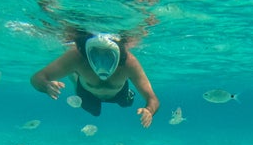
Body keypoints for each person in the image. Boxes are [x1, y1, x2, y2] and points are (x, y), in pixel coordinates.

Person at [31, 31, 160, 128]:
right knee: (94, 112)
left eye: (108, 56)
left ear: (118, 55)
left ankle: (75, 77)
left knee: (127, 103)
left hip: (119, 93)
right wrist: (45, 85)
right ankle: (74, 78)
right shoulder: (76, 57)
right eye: (96, 56)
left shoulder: (129, 63)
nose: (102, 64)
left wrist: (149, 110)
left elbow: (152, 98)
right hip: (87, 93)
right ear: (87, 53)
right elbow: (37, 78)